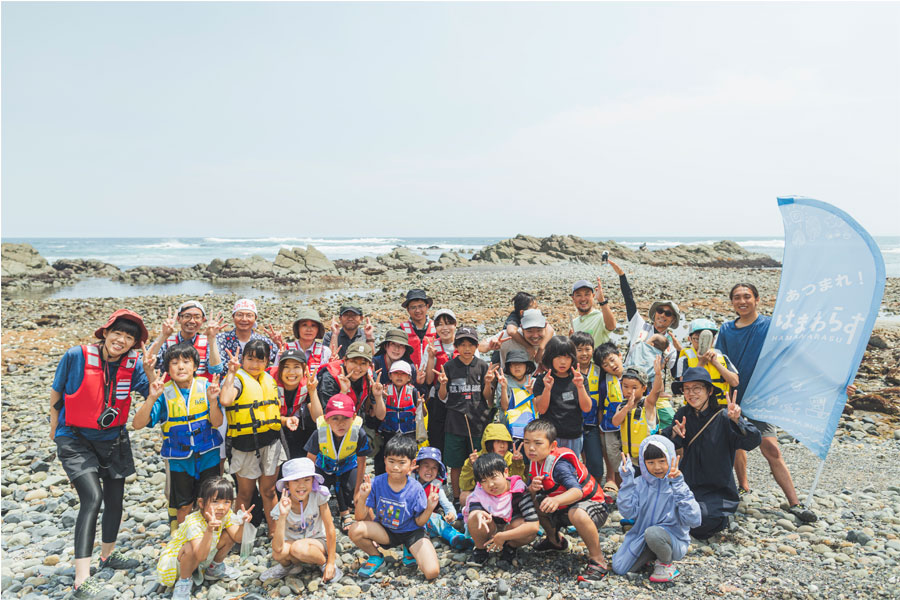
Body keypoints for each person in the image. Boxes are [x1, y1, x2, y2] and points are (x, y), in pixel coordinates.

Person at [49, 309, 154, 597]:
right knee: (92, 498)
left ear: (134, 343)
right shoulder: (76, 356)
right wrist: (53, 428)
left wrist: (150, 371)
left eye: (129, 337)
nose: (122, 340)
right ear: (105, 333)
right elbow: (56, 392)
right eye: (117, 333)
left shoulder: (132, 366)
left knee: (115, 500)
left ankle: (107, 555)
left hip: (114, 438)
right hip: (75, 438)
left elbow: (151, 394)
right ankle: (81, 580)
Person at [715, 283, 816, 521]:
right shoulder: (727, 329)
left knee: (771, 448)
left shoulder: (771, 326)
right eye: (737, 297)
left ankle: (794, 502)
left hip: (763, 398)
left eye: (747, 296)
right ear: (732, 302)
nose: (742, 301)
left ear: (757, 299)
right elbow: (719, 362)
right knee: (735, 445)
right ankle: (741, 487)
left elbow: (795, 352)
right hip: (732, 398)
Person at [661, 368, 761, 539]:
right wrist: (673, 433)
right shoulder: (683, 414)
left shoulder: (724, 416)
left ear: (710, 390)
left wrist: (737, 420)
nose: (691, 394)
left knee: (700, 524)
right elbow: (667, 444)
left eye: (697, 388)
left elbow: (753, 441)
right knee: (666, 515)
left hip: (717, 489)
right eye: (687, 389)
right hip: (688, 485)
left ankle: (723, 519)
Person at [133, 343, 225, 524]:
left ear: (196, 366)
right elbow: (137, 424)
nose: (181, 366)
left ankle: (210, 540)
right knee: (184, 504)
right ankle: (185, 542)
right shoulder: (163, 392)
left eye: (186, 361)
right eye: (174, 363)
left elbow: (217, 422)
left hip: (208, 453)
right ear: (167, 368)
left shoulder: (207, 387)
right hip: (179, 459)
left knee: (211, 500)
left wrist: (213, 402)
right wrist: (151, 398)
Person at [523, 420, 610, 582]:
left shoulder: (560, 465)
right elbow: (531, 491)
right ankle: (554, 541)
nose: (531, 448)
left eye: (538, 443)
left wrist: (556, 500)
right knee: (533, 501)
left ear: (552, 446)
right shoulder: (534, 463)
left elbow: (576, 491)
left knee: (575, 513)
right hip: (566, 507)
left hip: (594, 507)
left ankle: (598, 561)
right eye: (526, 442)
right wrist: (532, 489)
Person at [348, 435, 441, 580]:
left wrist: (429, 508)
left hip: (412, 532)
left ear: (412, 464)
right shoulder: (377, 483)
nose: (395, 467)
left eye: (402, 462)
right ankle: (375, 556)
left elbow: (419, 523)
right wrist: (363, 497)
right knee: (355, 530)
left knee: (432, 572)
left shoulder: (416, 489)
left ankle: (409, 549)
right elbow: (359, 518)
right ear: (384, 459)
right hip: (386, 531)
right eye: (391, 461)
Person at [611, 436, 701, 583]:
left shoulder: (677, 485)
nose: (657, 467)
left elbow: (694, 520)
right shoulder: (640, 484)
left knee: (653, 533)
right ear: (643, 463)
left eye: (662, 461)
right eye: (650, 462)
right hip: (643, 537)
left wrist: (678, 485)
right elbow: (628, 513)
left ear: (671, 459)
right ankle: (653, 554)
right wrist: (627, 480)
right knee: (620, 568)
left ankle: (666, 563)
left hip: (674, 540)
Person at [219, 339, 284, 534]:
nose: (254, 365)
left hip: (270, 443)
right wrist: (231, 373)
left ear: (267, 362)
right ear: (243, 359)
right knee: (245, 494)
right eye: (250, 359)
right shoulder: (236, 378)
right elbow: (226, 399)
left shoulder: (269, 379)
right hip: (244, 445)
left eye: (260, 361)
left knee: (269, 491)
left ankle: (275, 533)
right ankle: (238, 535)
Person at [156, 477, 253, 600]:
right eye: (215, 501)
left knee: (228, 535)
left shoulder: (226, 515)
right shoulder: (193, 522)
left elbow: (237, 538)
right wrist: (209, 530)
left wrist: (243, 523)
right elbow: (199, 556)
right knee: (189, 547)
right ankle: (184, 582)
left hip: (202, 555)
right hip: (179, 564)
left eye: (227, 502)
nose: (221, 507)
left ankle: (214, 568)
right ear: (201, 503)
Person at [434, 326, 499, 503]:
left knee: (480, 462)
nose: (467, 348)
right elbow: (443, 398)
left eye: (471, 344)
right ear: (456, 346)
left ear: (476, 346)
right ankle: (456, 497)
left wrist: (487, 384)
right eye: (462, 344)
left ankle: (481, 495)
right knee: (455, 464)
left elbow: (488, 399)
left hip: (478, 423)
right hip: (454, 423)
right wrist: (442, 384)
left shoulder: (483, 366)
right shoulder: (448, 366)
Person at [260, 458, 341, 584]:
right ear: (287, 484)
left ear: (313, 481)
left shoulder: (318, 497)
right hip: (295, 545)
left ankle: (324, 563)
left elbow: (330, 528)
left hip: (318, 542)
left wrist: (331, 562)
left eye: (307, 480)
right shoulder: (280, 507)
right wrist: (283, 515)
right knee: (278, 554)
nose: (301, 485)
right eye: (295, 481)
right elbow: (277, 548)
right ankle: (289, 567)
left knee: (298, 548)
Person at [305, 394, 372, 533]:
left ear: (353, 417)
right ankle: (319, 514)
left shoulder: (359, 433)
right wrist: (308, 485)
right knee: (315, 493)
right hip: (324, 467)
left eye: (346, 418)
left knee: (356, 495)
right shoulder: (319, 433)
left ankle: (346, 511)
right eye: (335, 418)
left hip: (347, 466)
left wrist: (357, 491)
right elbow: (309, 460)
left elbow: (361, 461)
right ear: (326, 419)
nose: (340, 423)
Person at [464, 453, 540, 565]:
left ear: (505, 472)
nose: (490, 484)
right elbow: (475, 509)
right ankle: (481, 550)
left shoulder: (519, 490)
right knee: (474, 517)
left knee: (528, 532)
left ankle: (510, 546)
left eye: (493, 477)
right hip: (491, 527)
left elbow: (533, 525)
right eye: (484, 480)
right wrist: (477, 514)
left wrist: (503, 536)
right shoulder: (480, 492)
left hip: (511, 528)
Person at [612, 259, 682, 371]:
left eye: (668, 313)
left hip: (651, 386)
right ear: (655, 314)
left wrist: (679, 352)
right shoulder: (639, 326)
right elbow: (629, 301)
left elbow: (674, 370)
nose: (663, 315)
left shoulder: (671, 343)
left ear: (673, 320)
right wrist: (622, 276)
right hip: (628, 379)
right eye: (660, 311)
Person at [532, 336, 591, 455]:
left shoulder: (580, 379)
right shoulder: (542, 380)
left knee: (570, 470)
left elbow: (587, 408)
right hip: (549, 436)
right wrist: (547, 389)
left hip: (574, 435)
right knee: (549, 469)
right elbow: (541, 409)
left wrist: (580, 386)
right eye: (558, 357)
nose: (563, 362)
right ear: (550, 358)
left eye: (567, 357)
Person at [611, 361, 670, 473]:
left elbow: (656, 391)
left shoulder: (647, 404)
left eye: (634, 387)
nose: (629, 391)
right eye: (625, 386)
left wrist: (658, 374)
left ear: (643, 388)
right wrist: (627, 407)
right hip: (630, 460)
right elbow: (615, 422)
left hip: (649, 459)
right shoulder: (622, 406)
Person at [148, 301, 226, 382]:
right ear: (179, 319)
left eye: (197, 317)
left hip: (201, 392)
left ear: (203, 320)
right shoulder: (167, 342)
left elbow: (216, 370)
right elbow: (147, 362)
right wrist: (163, 335)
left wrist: (212, 338)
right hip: (172, 392)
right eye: (187, 316)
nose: (192, 321)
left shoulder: (208, 342)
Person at [413, 447, 471, 550]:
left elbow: (447, 504)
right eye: (426, 466)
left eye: (434, 468)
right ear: (417, 467)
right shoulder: (409, 482)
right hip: (408, 524)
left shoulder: (436, 486)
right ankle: (452, 535)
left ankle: (457, 537)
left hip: (428, 523)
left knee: (434, 517)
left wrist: (451, 514)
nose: (430, 470)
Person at [271, 348, 324, 460]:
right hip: (273, 431)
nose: (291, 372)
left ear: (304, 369)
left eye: (296, 367)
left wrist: (312, 391)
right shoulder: (270, 383)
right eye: (286, 367)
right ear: (280, 369)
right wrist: (285, 420)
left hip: (298, 433)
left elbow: (318, 418)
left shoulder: (308, 384)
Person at [674, 318, 739, 407]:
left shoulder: (722, 357)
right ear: (690, 339)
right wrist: (702, 362)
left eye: (707, 338)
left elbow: (734, 382)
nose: (702, 343)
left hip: (720, 407)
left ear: (713, 339)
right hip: (695, 407)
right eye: (697, 339)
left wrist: (716, 363)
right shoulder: (685, 359)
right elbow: (685, 385)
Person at [459, 423, 526, 504]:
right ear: (488, 443)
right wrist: (471, 466)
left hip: (505, 495)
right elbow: (465, 486)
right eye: (498, 441)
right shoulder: (475, 458)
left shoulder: (511, 458)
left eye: (505, 442)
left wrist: (517, 464)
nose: (502, 446)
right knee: (464, 496)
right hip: (483, 495)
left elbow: (517, 483)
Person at [375, 360, 422, 475]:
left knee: (408, 459)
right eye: (396, 373)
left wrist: (421, 405)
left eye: (403, 374)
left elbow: (422, 414)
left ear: (409, 378)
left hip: (409, 433)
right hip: (389, 432)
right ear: (390, 376)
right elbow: (378, 412)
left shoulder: (413, 392)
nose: (399, 376)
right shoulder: (384, 390)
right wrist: (382, 398)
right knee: (387, 459)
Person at [571, 331, 605, 485]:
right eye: (579, 350)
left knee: (596, 465)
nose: (584, 354)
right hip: (572, 424)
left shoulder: (599, 370)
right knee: (572, 462)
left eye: (587, 349)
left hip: (592, 424)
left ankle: (594, 488)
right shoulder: (567, 370)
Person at [423, 309, 458, 454]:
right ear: (435, 327)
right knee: (437, 440)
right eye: (440, 324)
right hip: (437, 399)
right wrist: (431, 358)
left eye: (449, 323)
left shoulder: (465, 343)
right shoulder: (431, 346)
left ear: (456, 325)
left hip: (459, 397)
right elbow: (429, 379)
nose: (444, 328)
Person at [594, 342, 626, 498]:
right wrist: (601, 428)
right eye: (605, 365)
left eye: (612, 360)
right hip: (610, 428)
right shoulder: (604, 383)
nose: (611, 365)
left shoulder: (633, 375)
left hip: (631, 427)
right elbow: (600, 407)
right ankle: (622, 491)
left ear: (620, 356)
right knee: (615, 460)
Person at [215, 298, 278, 364]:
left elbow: (281, 362)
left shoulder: (263, 341)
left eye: (249, 315)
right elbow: (214, 367)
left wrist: (278, 344)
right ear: (233, 317)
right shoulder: (220, 339)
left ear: (255, 318)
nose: (244, 319)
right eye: (240, 315)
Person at [498, 348, 537, 444]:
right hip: (509, 429)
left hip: (531, 428)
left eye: (520, 363)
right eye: (513, 364)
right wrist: (503, 387)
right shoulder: (503, 381)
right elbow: (504, 407)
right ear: (509, 367)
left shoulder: (533, 382)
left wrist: (532, 393)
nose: (517, 367)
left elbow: (537, 409)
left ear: (526, 366)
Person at [280, 308, 332, 377]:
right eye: (304, 325)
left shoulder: (325, 351)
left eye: (313, 325)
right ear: (298, 328)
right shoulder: (285, 349)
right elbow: (276, 375)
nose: (309, 329)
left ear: (318, 330)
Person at [569, 278, 617, 347]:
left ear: (593, 296)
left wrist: (602, 301)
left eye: (587, 294)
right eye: (579, 295)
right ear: (573, 298)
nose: (583, 299)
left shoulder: (601, 317)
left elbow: (612, 326)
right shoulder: (573, 323)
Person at [399, 289, 436, 376]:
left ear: (427, 306)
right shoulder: (401, 330)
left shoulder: (438, 328)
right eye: (413, 307)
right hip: (409, 376)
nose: (417, 311)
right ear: (408, 309)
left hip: (434, 376)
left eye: (420, 306)